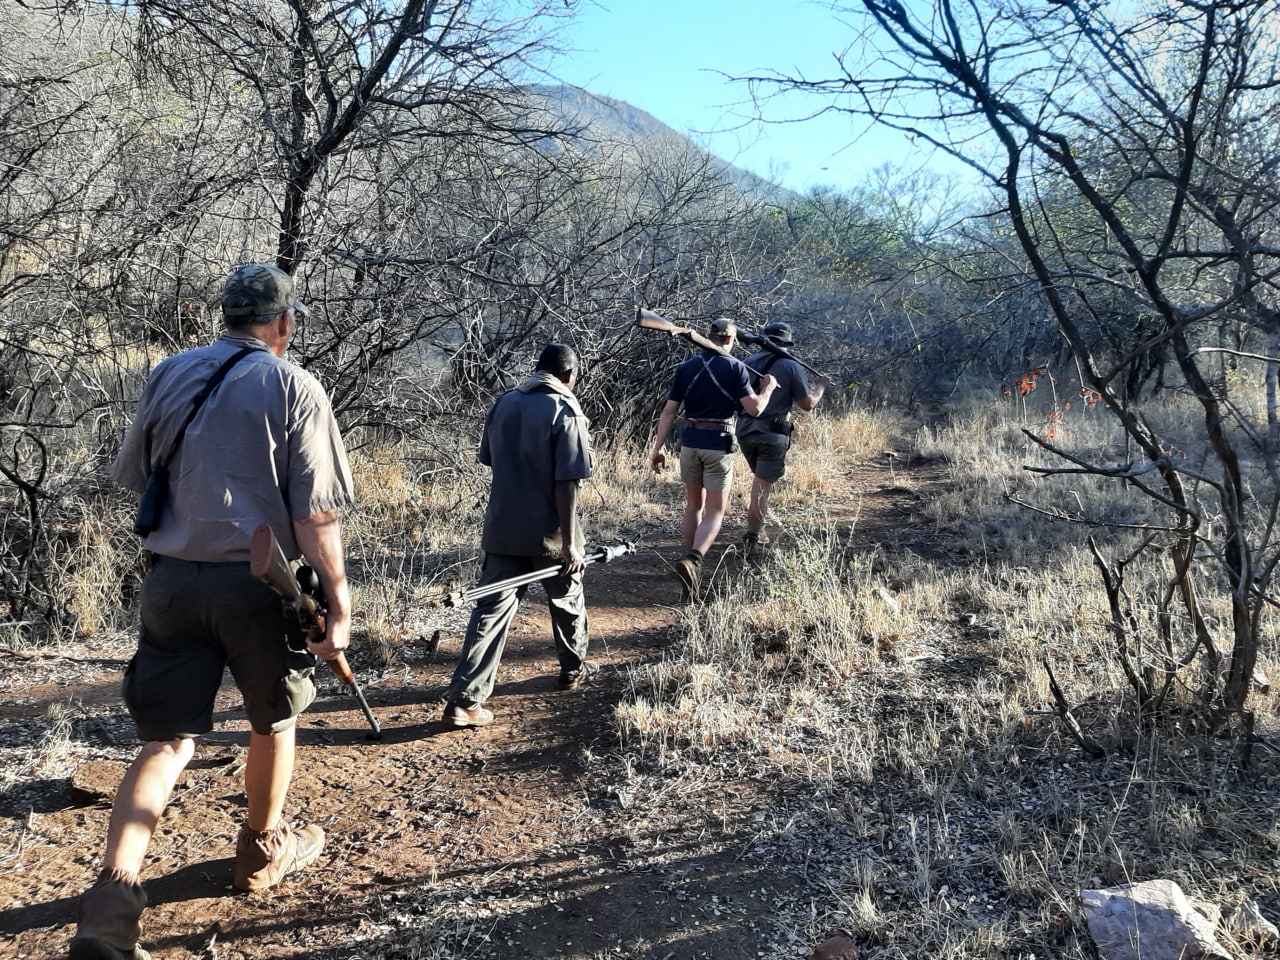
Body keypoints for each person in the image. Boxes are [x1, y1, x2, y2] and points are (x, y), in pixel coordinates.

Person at [69, 264, 355, 960]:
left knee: (166, 743)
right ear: (284, 325)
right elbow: (316, 516)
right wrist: (338, 602)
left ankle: (110, 902)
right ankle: (261, 853)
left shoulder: (170, 372)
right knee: (273, 720)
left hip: (170, 578)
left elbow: (139, 477)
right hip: (261, 586)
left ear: (223, 316)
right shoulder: (295, 385)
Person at [442, 343, 594, 728]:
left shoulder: (504, 403)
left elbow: (491, 459)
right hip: (549, 533)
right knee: (567, 601)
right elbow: (567, 484)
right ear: (568, 375)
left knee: (490, 613)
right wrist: (569, 544)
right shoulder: (566, 410)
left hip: (502, 529)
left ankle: (464, 700)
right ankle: (572, 669)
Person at [648, 318, 776, 597]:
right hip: (718, 444)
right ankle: (693, 561)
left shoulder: (686, 368)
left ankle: (688, 559)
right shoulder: (736, 367)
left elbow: (669, 411)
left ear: (708, 336)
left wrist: (657, 448)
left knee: (693, 505)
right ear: (730, 340)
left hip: (690, 443)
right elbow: (754, 409)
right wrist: (767, 388)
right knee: (716, 510)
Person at [736, 320, 831, 557]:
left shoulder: (747, 362)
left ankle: (759, 529)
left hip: (745, 430)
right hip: (772, 433)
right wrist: (820, 387)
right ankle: (752, 537)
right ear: (787, 343)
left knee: (759, 483)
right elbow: (806, 404)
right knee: (761, 488)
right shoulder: (790, 365)